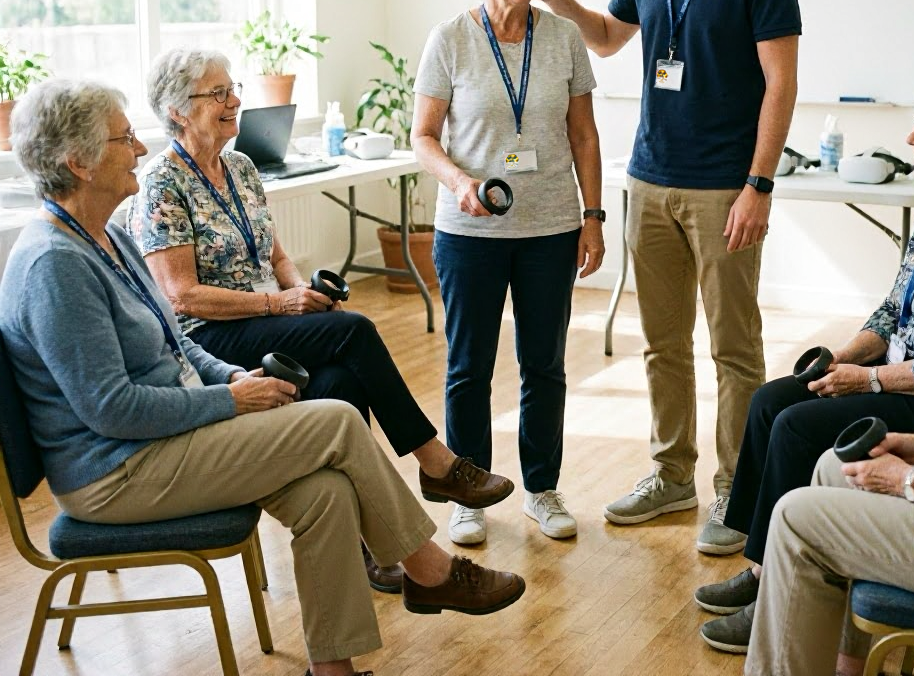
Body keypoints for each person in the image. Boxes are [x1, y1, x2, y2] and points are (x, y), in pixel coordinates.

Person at [0, 79, 526, 676]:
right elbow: (112, 410)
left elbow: (176, 347)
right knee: (338, 420)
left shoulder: (109, 237)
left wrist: (236, 378)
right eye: (124, 139)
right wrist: (230, 400)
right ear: (79, 163)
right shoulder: (55, 266)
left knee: (324, 495)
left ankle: (333, 669)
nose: (140, 151)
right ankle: (429, 571)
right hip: (116, 472)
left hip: (162, 439)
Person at [127, 48, 514, 593]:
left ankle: (368, 546)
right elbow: (183, 296)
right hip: (211, 341)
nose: (235, 100)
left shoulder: (239, 167)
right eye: (217, 94)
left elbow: (275, 257)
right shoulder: (161, 185)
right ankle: (434, 462)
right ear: (176, 112)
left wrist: (300, 290)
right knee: (353, 330)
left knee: (339, 384)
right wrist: (281, 306)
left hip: (266, 317)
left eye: (231, 87)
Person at [535, 0, 801, 552]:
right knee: (661, 344)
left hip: (724, 187)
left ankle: (735, 491)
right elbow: (610, 38)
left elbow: (782, 83)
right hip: (649, 179)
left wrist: (760, 184)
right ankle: (671, 476)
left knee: (734, 348)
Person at [696, 71, 914, 654]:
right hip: (898, 375)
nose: (911, 138)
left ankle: (774, 579)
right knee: (776, 397)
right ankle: (760, 564)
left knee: (799, 425)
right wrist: (844, 357)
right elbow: (892, 306)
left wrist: (866, 379)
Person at [410, 0, 604, 546]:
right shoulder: (450, 39)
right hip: (470, 233)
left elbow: (583, 133)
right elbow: (423, 137)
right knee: (469, 364)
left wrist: (593, 216)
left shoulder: (564, 39)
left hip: (550, 227)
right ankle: (469, 490)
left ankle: (542, 488)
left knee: (543, 363)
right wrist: (460, 182)